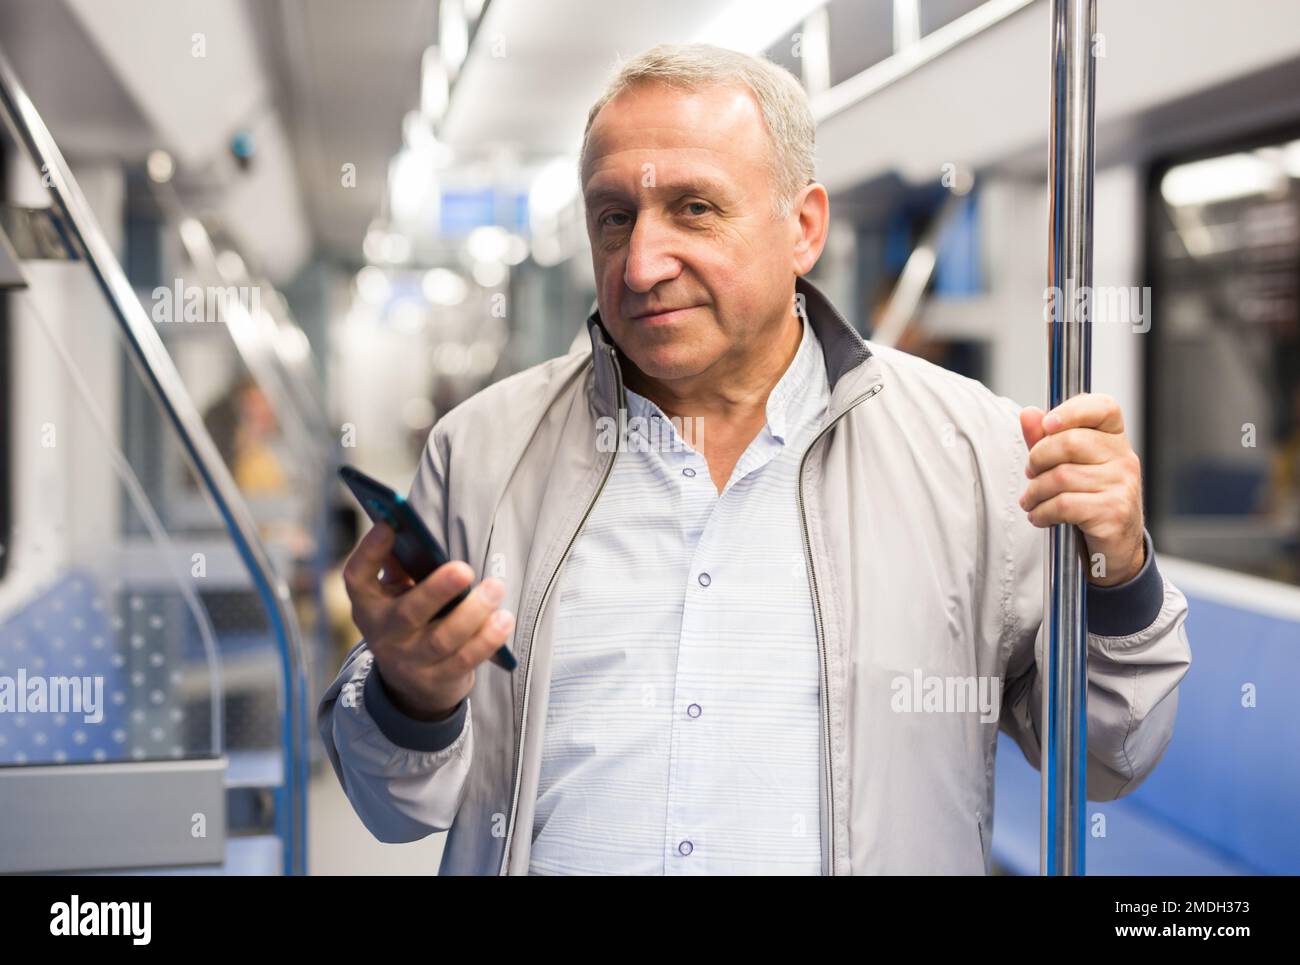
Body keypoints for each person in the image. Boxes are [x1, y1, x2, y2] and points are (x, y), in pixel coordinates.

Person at [319, 43, 1191, 875]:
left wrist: (1119, 577)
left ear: (802, 226)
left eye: (694, 208)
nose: (642, 263)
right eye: (613, 218)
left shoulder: (976, 454)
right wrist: (411, 695)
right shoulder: (481, 452)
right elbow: (397, 806)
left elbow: (1105, 755)